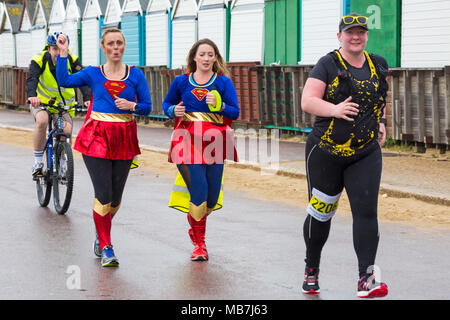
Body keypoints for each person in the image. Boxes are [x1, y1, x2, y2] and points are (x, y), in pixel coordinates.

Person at [300, 13, 389, 298]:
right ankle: (311, 269)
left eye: (361, 32)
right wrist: (335, 110)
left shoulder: (378, 64)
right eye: (350, 32)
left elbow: (379, 98)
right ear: (340, 36)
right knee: (321, 214)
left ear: (366, 36)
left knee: (366, 211)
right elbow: (308, 101)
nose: (356, 37)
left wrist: (382, 122)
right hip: (326, 152)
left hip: (365, 152)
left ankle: (366, 278)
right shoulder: (328, 64)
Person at [55, 28, 152, 267]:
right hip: (96, 136)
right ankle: (107, 247)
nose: (115, 47)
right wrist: (63, 53)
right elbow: (65, 80)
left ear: (124, 46)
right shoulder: (93, 73)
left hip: (124, 138)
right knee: (103, 194)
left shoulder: (136, 75)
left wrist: (133, 105)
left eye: (119, 43)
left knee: (116, 199)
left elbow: (148, 107)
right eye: (111, 43)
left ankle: (101, 232)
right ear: (103, 47)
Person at [162, 38, 239, 261]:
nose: (206, 58)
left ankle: (195, 226)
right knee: (199, 189)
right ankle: (199, 244)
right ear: (194, 57)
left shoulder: (223, 83)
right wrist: (172, 110)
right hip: (185, 139)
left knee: (211, 200)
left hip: (215, 141)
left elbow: (235, 113)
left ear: (216, 58)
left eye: (210, 54)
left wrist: (221, 105)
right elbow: (167, 105)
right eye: (202, 54)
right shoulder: (181, 82)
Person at [26, 32, 90, 179]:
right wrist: (32, 96)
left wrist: (87, 98)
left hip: (63, 105)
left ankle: (62, 163)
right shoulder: (39, 59)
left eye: (60, 48)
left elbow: (83, 80)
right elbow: (32, 79)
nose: (57, 52)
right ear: (49, 49)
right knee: (42, 121)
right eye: (54, 48)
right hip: (42, 102)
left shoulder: (72, 60)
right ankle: (38, 163)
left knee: (65, 131)